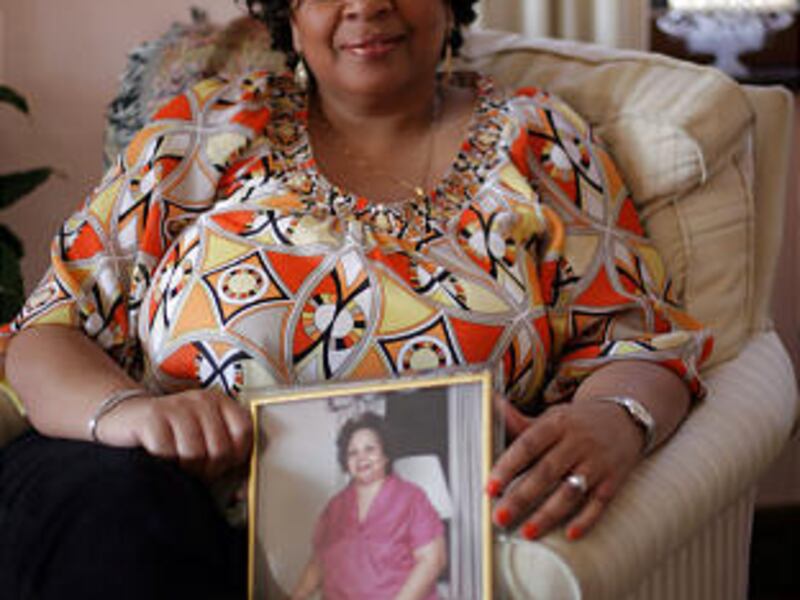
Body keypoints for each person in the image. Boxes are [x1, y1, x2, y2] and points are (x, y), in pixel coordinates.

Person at [0, 0, 712, 597]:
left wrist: (616, 417)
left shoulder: (542, 142)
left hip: (392, 553)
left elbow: (638, 336)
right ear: (289, 13)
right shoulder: (205, 129)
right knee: (115, 514)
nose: (366, 4)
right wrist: (130, 416)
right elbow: (45, 331)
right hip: (139, 518)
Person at [291, 412, 446, 600]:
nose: (361, 458)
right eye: (353, 452)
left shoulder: (411, 498)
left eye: (369, 449)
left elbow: (432, 561)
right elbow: (319, 562)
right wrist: (296, 596)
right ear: (346, 461)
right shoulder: (335, 507)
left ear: (385, 454)